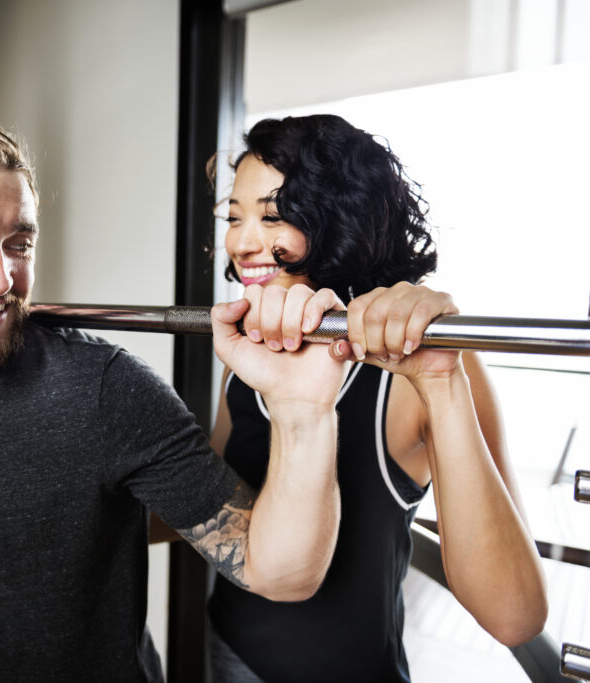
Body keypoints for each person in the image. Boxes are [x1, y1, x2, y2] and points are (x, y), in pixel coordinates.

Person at [0, 104, 353, 682]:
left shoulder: (103, 390)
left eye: (18, 243)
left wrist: (302, 407)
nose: (2, 279)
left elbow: (279, 571)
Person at [204, 114, 548, 682]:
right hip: (229, 652)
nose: (241, 243)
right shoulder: (244, 363)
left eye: (271, 215)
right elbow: (213, 503)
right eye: (235, 217)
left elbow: (515, 616)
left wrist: (441, 382)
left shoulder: (419, 380)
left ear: (340, 215)